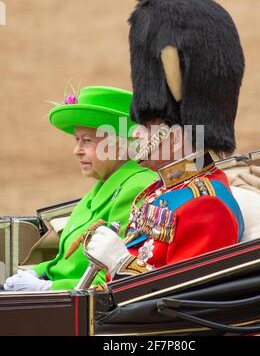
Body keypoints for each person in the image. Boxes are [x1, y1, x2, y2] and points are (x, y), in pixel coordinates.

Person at [85, 0, 246, 279]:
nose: (136, 133)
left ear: (178, 131)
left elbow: (180, 304)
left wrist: (120, 263)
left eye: (147, 124)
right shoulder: (156, 191)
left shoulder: (207, 206)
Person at [3, 85, 157, 291]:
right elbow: (64, 261)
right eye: (77, 140)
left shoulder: (135, 188)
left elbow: (113, 277)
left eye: (87, 141)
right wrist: (39, 271)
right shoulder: (103, 187)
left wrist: (49, 288)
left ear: (120, 145)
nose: (76, 150)